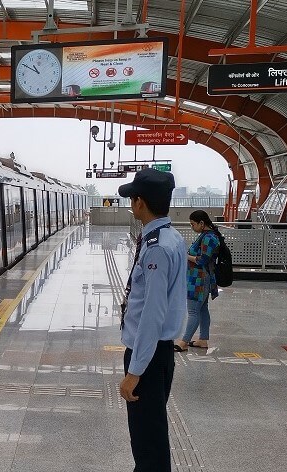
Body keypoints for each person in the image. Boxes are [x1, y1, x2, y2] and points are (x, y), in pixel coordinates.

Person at [117, 168, 187, 472]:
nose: (131, 204)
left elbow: (152, 314)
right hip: (160, 353)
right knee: (151, 436)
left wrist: (135, 372)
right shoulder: (172, 237)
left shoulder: (156, 247)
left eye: (133, 198)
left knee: (148, 444)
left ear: (139, 202)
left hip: (149, 355)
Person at [174, 210, 220, 352]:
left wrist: (186, 256)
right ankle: (203, 340)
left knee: (193, 311)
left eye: (193, 224)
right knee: (202, 309)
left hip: (199, 280)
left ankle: (184, 342)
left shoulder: (208, 238)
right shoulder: (206, 236)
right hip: (199, 278)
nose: (192, 227)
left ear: (201, 223)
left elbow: (202, 260)